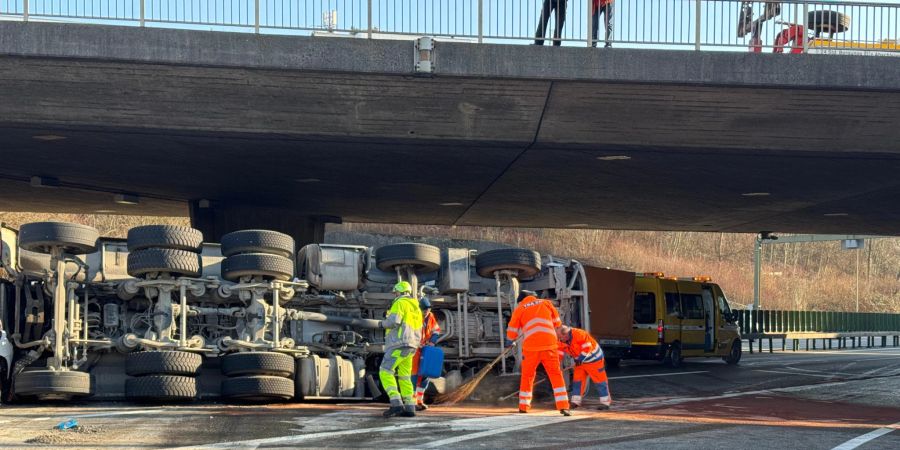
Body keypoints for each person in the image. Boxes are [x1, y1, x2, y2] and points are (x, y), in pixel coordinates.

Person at [506, 291, 571, 415]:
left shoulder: (520, 308)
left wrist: (510, 341)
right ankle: (563, 406)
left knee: (528, 376)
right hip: (549, 345)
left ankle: (524, 407)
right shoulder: (546, 303)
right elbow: (557, 323)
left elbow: (512, 329)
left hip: (531, 348)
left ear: (521, 300)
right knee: (555, 375)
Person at [378, 281, 424, 418]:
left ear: (400, 292)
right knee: (404, 376)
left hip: (399, 344)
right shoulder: (416, 307)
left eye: (396, 292)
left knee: (385, 371)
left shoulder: (399, 303)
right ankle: (410, 407)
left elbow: (393, 322)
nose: (395, 295)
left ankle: (396, 403)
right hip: (412, 346)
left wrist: (381, 323)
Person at [557, 325, 612, 410]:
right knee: (577, 381)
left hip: (594, 361)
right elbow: (560, 351)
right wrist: (556, 364)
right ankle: (575, 402)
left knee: (600, 382)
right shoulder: (562, 340)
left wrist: (580, 359)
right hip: (580, 361)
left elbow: (587, 347)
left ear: (566, 335)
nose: (559, 339)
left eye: (560, 337)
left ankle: (605, 403)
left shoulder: (579, 334)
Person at [413, 296, 442, 411]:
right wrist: (416, 343)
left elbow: (436, 330)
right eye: (424, 309)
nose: (427, 311)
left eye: (428, 309)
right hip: (415, 350)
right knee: (414, 376)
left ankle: (419, 401)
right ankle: (412, 402)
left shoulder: (430, 316)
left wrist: (432, 342)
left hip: (425, 349)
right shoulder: (414, 317)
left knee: (425, 377)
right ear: (419, 309)